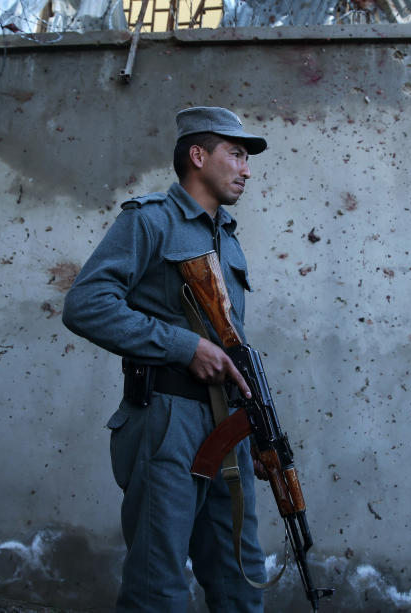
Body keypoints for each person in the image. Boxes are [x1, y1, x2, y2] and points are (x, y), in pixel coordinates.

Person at [62, 107, 269, 613]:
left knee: (241, 574)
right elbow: (86, 305)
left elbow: (232, 342)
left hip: (230, 425)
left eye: (247, 158)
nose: (247, 169)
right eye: (236, 154)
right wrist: (183, 347)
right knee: (159, 582)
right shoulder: (149, 220)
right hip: (167, 418)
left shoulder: (229, 238)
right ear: (197, 156)